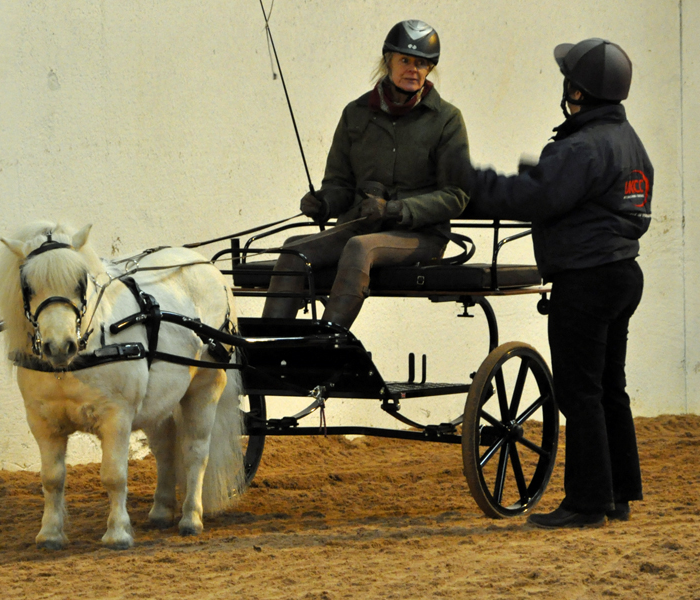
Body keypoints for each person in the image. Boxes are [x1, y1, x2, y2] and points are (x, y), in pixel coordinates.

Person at [468, 38, 653, 528]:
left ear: (578, 90)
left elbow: (533, 199)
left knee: (579, 393)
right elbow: (608, 201)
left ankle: (587, 503)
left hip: (586, 279)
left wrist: (467, 182)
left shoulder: (581, 146)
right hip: (622, 273)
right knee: (611, 386)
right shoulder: (626, 139)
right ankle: (618, 493)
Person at [261, 19, 471, 329]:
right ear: (388, 61)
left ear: (430, 69)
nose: (413, 69)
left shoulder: (447, 120)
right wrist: (325, 203)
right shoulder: (355, 113)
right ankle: (270, 351)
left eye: (422, 63)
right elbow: (340, 184)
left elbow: (456, 195)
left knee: (361, 248)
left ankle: (329, 343)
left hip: (422, 236)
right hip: (357, 227)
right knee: (294, 250)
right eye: (405, 60)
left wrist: (397, 209)